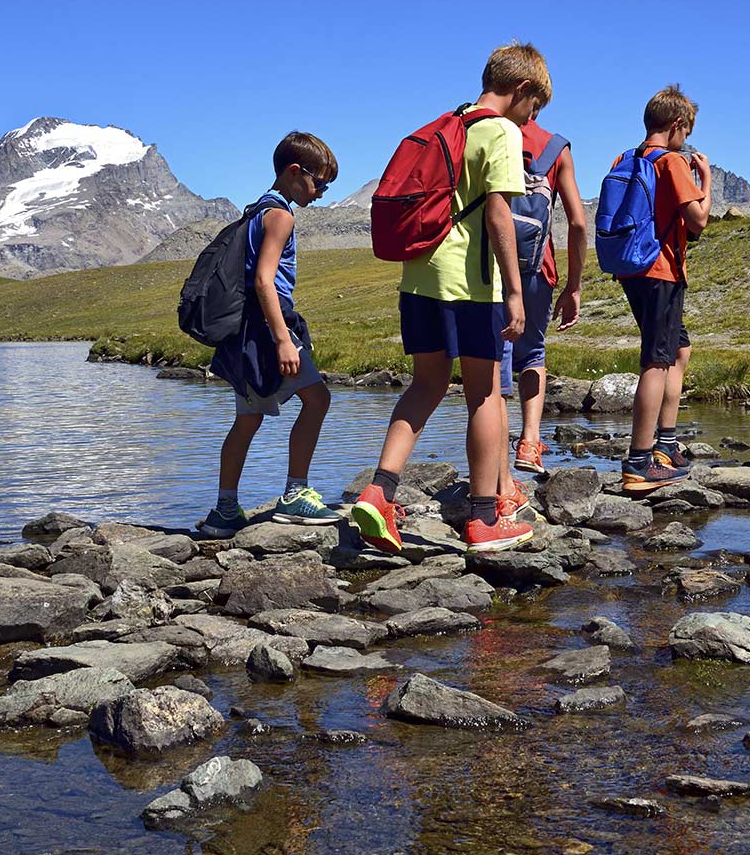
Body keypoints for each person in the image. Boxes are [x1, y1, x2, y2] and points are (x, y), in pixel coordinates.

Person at [351, 43, 551, 554]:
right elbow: (499, 215)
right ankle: (486, 518)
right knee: (483, 392)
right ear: (523, 89)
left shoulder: (448, 125)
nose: (532, 119)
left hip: (418, 278)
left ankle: (380, 491)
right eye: (535, 108)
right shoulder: (500, 131)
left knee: (426, 384)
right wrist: (514, 290)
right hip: (471, 285)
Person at [204, 132, 341, 529]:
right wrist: (284, 339)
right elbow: (265, 280)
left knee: (247, 420)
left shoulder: (255, 210)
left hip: (242, 331)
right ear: (295, 172)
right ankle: (296, 494)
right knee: (318, 401)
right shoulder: (281, 215)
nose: (321, 192)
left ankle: (225, 509)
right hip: (268, 327)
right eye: (320, 182)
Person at [617, 85, 711, 494]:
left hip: (633, 269)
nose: (687, 138)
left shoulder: (625, 157)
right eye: (686, 130)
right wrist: (704, 180)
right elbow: (698, 220)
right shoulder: (671, 162)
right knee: (657, 360)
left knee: (678, 350)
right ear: (676, 125)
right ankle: (640, 461)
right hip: (661, 271)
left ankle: (666, 444)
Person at [501, 118, 587, 475]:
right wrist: (574, 286)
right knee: (533, 352)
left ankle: (495, 466)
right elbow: (579, 223)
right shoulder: (554, 147)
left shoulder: (480, 130)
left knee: (495, 358)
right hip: (538, 267)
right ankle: (530, 443)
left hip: (488, 267)